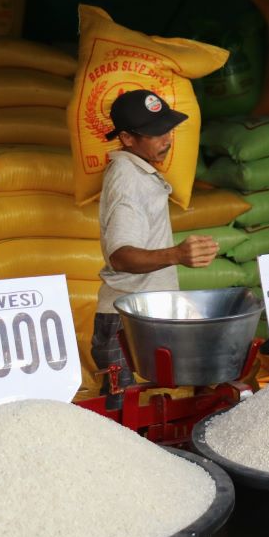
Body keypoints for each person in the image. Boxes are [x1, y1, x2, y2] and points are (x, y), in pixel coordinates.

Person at [91, 89, 219, 391]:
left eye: (168, 128)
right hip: (126, 320)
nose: (167, 139)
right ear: (127, 138)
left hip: (147, 311)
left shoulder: (140, 172)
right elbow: (120, 256)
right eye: (155, 133)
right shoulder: (127, 180)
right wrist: (176, 255)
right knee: (121, 416)